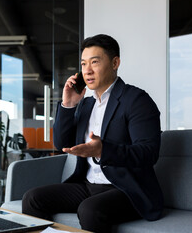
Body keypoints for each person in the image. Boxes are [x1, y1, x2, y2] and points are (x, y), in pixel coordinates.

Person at [22, 34, 163, 232]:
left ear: (115, 63)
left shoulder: (137, 100)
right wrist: (68, 105)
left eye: (95, 62)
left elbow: (149, 153)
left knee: (89, 209)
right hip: (87, 185)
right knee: (33, 198)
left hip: (126, 189)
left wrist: (103, 151)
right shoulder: (86, 104)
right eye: (83, 64)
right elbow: (61, 144)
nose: (87, 70)